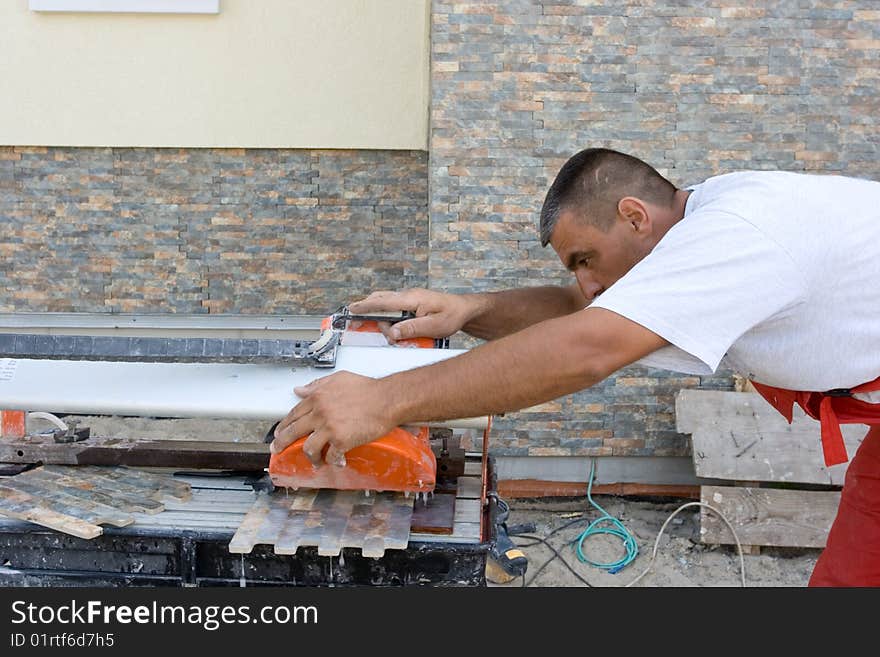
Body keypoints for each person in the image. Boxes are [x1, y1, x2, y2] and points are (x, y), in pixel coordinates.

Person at [271, 148, 880, 586]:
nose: (584, 283)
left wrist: (383, 400)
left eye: (586, 258)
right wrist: (468, 311)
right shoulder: (694, 223)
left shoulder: (736, 234)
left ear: (635, 216)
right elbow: (581, 309)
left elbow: (585, 346)